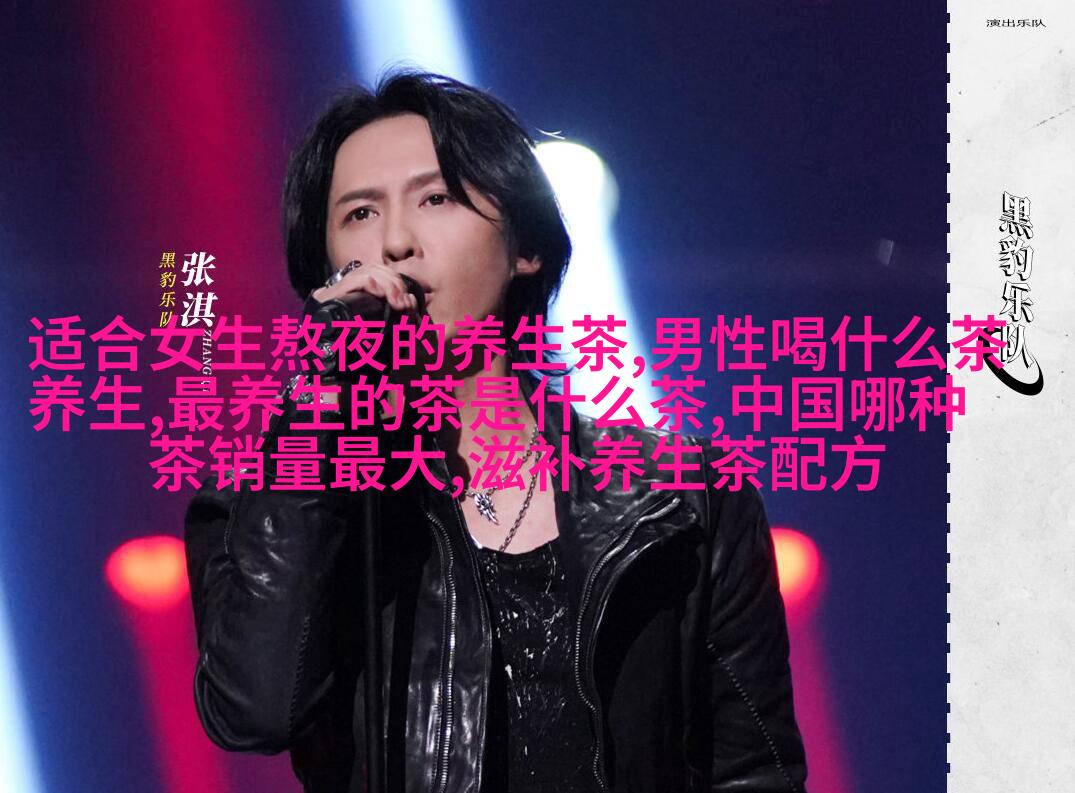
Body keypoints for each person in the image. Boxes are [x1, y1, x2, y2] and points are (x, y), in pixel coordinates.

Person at [184, 70, 808, 793]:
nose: (395, 241)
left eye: (436, 198)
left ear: (524, 246)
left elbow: (753, 768)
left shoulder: (685, 496)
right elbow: (254, 712)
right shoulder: (270, 501)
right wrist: (318, 406)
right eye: (359, 213)